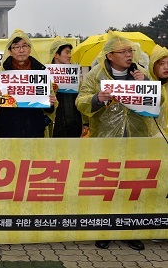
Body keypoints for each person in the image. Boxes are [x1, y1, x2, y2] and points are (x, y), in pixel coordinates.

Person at [76, 31, 154, 251]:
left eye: (131, 51)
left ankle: (130, 231)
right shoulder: (96, 75)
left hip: (136, 135)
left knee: (133, 184)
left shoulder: (140, 72)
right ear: (110, 55)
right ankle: (105, 230)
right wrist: (96, 99)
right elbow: (80, 101)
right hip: (106, 136)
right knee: (107, 185)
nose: (129, 55)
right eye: (123, 52)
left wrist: (146, 82)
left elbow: (160, 100)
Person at [0, 29, 57, 138]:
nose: (21, 50)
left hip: (34, 129)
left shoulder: (41, 72)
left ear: (30, 49)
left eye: (24, 46)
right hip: (6, 130)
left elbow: (49, 107)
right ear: (10, 51)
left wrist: (50, 103)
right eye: (16, 47)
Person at [47, 39, 88, 137]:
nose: (70, 56)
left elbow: (83, 97)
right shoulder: (45, 74)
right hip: (55, 124)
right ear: (56, 54)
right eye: (66, 52)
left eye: (70, 52)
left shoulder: (74, 74)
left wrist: (86, 122)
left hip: (75, 123)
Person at [149, 44, 168, 134]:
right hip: (154, 140)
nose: (166, 67)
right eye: (161, 64)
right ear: (153, 65)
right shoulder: (147, 87)